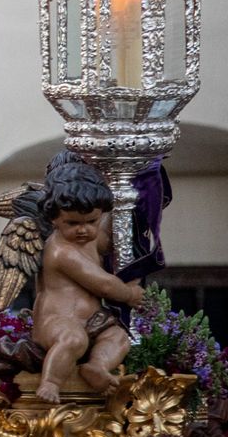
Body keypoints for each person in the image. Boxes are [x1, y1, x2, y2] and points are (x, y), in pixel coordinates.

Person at [31, 161, 145, 402]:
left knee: (118, 337)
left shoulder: (88, 237)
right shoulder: (61, 251)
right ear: (54, 219)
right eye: (72, 223)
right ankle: (51, 381)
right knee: (74, 340)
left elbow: (105, 239)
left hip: (93, 319)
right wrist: (128, 294)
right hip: (58, 321)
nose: (83, 230)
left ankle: (97, 366)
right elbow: (102, 284)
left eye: (91, 222)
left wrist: (124, 209)